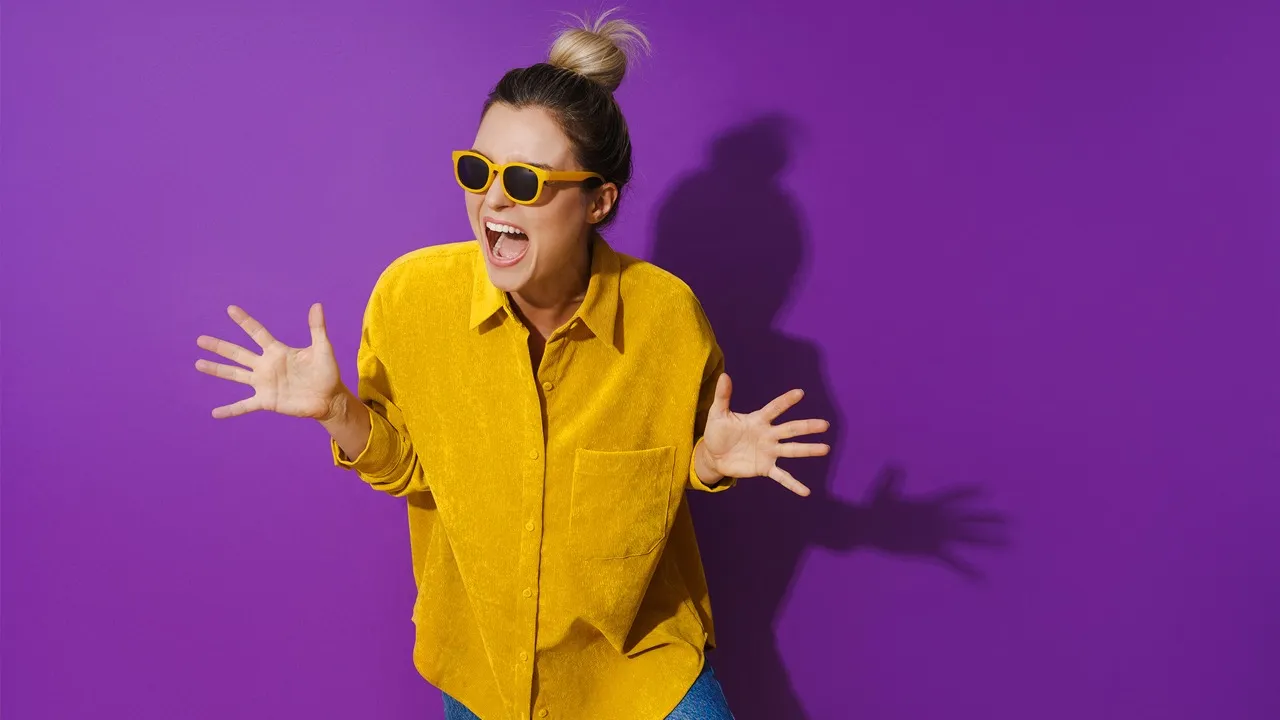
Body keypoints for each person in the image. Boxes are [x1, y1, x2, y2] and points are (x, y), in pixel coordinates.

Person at [194, 9, 830, 720]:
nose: (492, 198)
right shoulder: (410, 300)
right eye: (478, 170)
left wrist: (706, 464)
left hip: (636, 662)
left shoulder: (667, 319)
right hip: (485, 669)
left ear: (598, 201)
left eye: (525, 181)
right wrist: (339, 411)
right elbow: (411, 470)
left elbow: (655, 481)